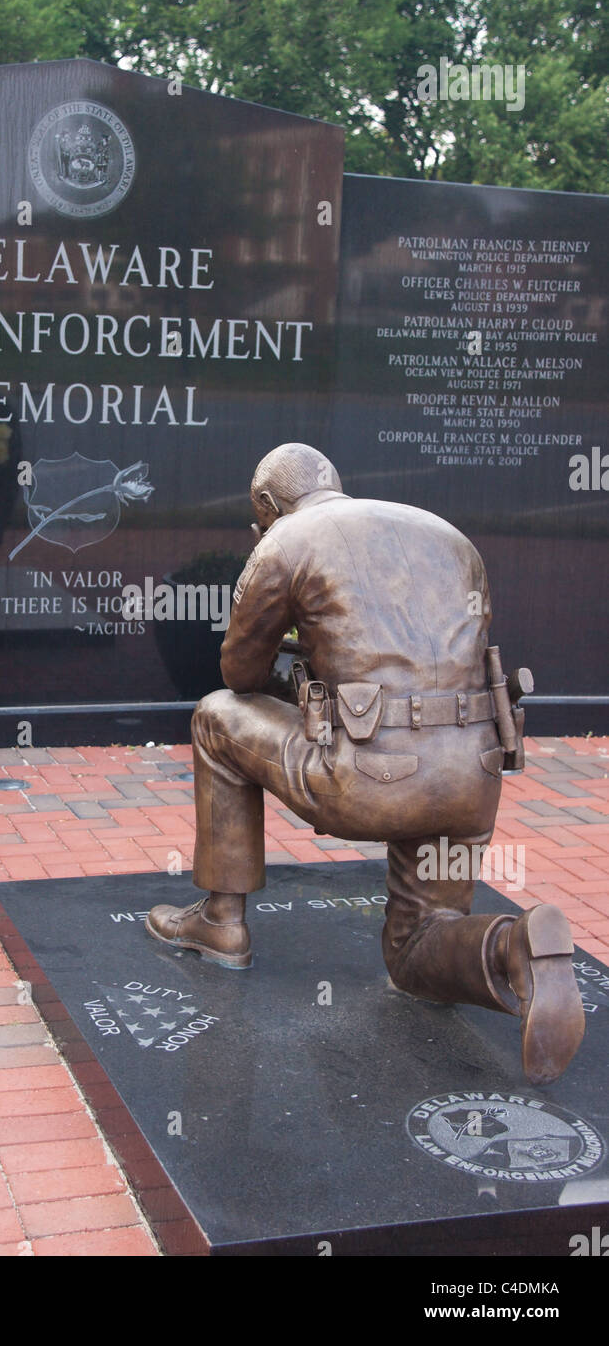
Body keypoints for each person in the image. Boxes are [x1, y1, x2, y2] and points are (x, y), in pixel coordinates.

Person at [145, 443, 585, 1086]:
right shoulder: (449, 536)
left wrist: (301, 655)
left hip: (365, 781)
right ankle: (512, 948)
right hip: (471, 776)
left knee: (215, 715)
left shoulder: (286, 539)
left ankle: (221, 922)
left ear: (266, 507)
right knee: (416, 948)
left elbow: (239, 673)